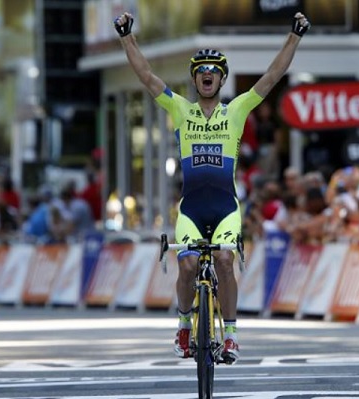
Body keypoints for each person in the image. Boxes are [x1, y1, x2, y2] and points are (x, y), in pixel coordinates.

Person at [114, 9, 310, 363]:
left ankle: (232, 335)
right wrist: (127, 35)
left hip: (225, 208)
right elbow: (145, 75)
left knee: (223, 259)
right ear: (195, 80)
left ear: (221, 79)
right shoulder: (180, 110)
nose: (207, 75)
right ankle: (185, 327)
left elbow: (273, 75)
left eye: (213, 72)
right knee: (187, 266)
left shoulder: (235, 111)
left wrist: (294, 35)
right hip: (191, 207)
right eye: (201, 72)